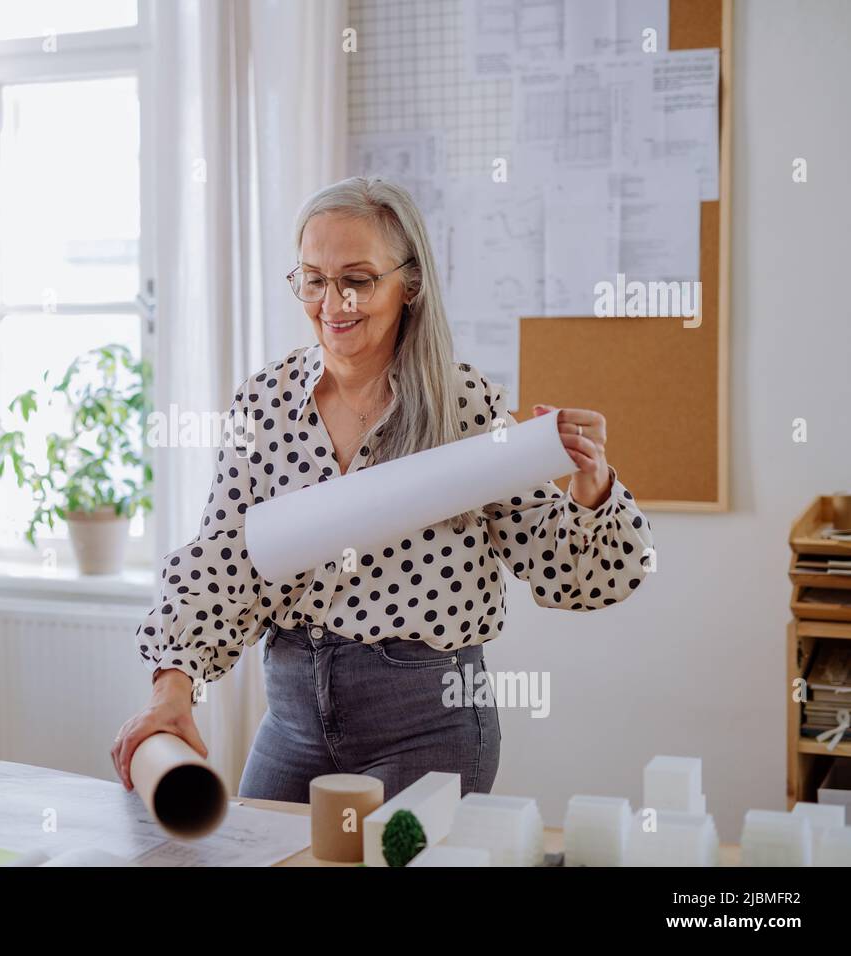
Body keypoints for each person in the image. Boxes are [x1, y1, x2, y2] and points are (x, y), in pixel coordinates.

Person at [111, 176, 655, 801]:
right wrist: (172, 687)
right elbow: (224, 559)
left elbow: (570, 574)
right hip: (294, 719)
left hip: (427, 725)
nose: (332, 302)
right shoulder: (265, 404)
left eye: (358, 280)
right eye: (313, 279)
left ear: (410, 283)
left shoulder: (464, 407)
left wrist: (591, 487)